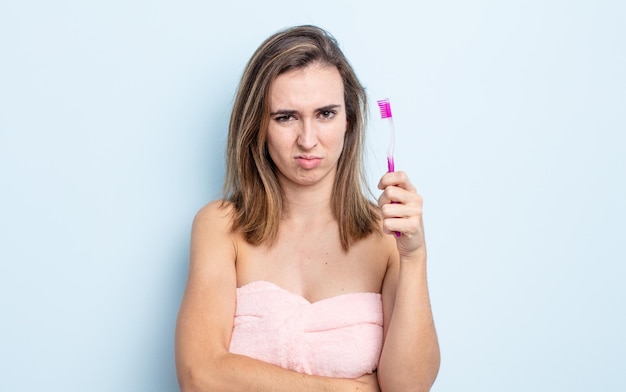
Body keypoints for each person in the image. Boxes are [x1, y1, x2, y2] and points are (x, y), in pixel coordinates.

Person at [175, 25, 440, 391]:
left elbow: (408, 387)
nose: (308, 140)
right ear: (258, 127)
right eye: (286, 117)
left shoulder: (387, 239)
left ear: (350, 121)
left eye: (326, 114)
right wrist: (344, 388)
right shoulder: (220, 228)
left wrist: (414, 258)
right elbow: (199, 377)